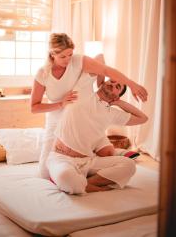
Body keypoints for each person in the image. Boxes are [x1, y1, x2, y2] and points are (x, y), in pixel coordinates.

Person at [30, 33, 148, 178]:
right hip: (57, 119)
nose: (68, 60)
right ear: (52, 54)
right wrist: (61, 103)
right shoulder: (43, 74)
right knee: (45, 174)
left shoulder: (78, 61)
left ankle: (113, 155)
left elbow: (101, 61)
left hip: (81, 114)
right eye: (63, 57)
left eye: (70, 54)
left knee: (105, 153)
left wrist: (127, 84)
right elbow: (34, 107)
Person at [46, 74, 148, 194]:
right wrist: (103, 76)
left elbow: (143, 118)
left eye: (118, 86)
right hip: (61, 158)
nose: (113, 84)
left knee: (129, 165)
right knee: (66, 177)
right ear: (103, 83)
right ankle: (76, 183)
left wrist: (119, 103)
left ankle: (86, 184)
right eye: (112, 80)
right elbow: (100, 57)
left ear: (117, 96)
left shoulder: (112, 113)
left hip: (88, 161)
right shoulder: (84, 91)